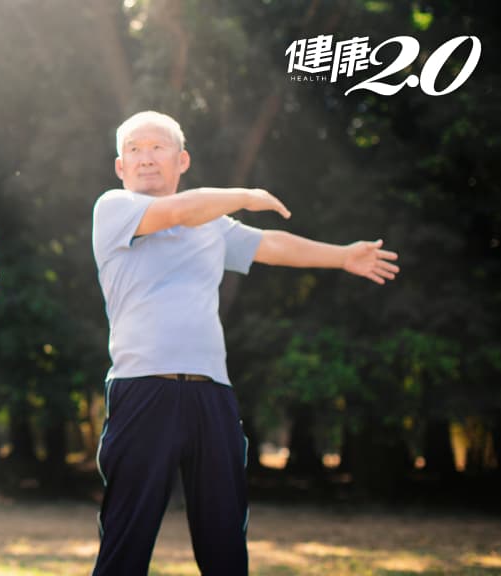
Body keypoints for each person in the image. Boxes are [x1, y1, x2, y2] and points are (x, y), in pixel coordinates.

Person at [91, 111, 399, 575]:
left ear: (182, 160)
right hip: (142, 390)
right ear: (120, 167)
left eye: (157, 147)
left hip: (212, 394)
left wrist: (342, 257)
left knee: (224, 542)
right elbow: (178, 210)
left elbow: (271, 245)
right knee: (126, 540)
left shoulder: (212, 227)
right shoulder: (113, 208)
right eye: (133, 149)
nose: (145, 158)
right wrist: (243, 196)